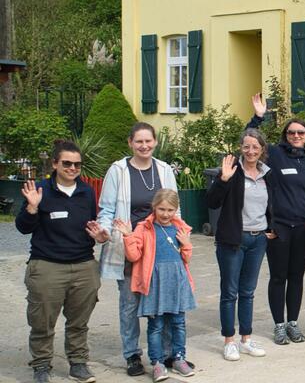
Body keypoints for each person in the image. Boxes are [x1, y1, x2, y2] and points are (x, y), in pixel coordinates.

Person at [17, 140, 109, 383]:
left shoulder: (87, 191)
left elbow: (91, 223)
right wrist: (32, 209)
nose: (72, 168)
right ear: (55, 163)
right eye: (67, 163)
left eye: (77, 164)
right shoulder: (39, 190)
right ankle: (41, 366)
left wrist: (98, 236)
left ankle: (78, 363)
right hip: (47, 266)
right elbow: (22, 228)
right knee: (42, 322)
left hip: (83, 266)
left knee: (79, 322)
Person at [96, 122, 182, 376]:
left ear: (154, 142)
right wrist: (103, 231)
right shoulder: (118, 171)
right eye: (139, 142)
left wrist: (180, 239)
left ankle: (167, 354)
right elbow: (107, 210)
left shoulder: (164, 170)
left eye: (148, 141)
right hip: (129, 247)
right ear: (130, 143)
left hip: (160, 249)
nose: (144, 146)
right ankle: (132, 354)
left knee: (164, 302)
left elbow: (176, 209)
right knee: (129, 305)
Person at [247, 93, 305, 345]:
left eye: (301, 132)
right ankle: (278, 325)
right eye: (291, 132)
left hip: (304, 228)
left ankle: (293, 322)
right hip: (278, 227)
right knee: (279, 277)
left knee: (297, 276)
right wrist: (258, 118)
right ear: (285, 135)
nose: (296, 136)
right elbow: (250, 142)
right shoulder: (275, 155)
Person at [115, 189, 197, 382]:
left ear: (176, 209)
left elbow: (186, 258)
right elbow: (134, 256)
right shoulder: (144, 228)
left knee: (179, 323)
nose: (166, 214)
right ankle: (157, 363)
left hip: (177, 282)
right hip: (155, 283)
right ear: (154, 207)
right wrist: (128, 236)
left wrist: (186, 244)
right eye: (162, 209)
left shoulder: (181, 228)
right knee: (156, 326)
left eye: (170, 210)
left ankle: (178, 358)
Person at [206, 129, 272, 361]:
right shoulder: (232, 171)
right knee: (229, 292)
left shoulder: (267, 174)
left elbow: (272, 203)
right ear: (240, 148)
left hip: (258, 239)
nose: (251, 151)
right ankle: (229, 341)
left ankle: (246, 338)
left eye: (255, 147)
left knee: (248, 292)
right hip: (233, 240)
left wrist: (271, 229)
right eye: (246, 146)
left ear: (262, 149)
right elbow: (212, 202)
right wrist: (222, 180)